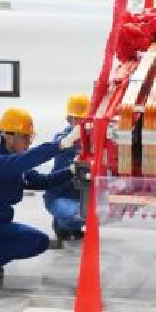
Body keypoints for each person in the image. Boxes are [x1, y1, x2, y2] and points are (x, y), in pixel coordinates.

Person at [0, 107, 76, 281]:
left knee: (40, 241)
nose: (28, 143)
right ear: (8, 136)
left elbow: (42, 181)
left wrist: (71, 170)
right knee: (32, 241)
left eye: (30, 137)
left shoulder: (15, 164)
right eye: (25, 137)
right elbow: (27, 159)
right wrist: (61, 144)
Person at [44, 95, 87, 247]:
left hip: (81, 196)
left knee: (91, 213)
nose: (81, 124)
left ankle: (73, 227)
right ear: (69, 119)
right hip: (60, 196)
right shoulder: (62, 138)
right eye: (78, 119)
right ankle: (61, 225)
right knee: (75, 213)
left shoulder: (93, 139)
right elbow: (61, 145)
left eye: (84, 120)